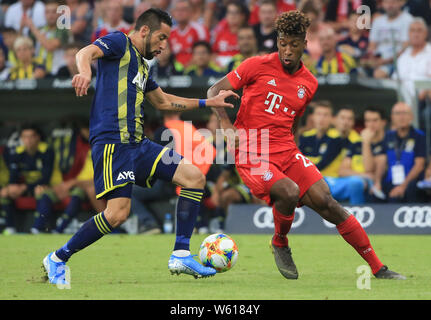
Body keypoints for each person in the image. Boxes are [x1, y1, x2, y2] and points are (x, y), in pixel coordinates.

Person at [42, 8, 238, 285]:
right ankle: (58, 258)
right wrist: (85, 73)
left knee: (194, 177)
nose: (163, 45)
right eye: (161, 37)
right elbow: (85, 52)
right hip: (114, 143)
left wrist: (209, 103)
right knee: (117, 213)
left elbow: (163, 102)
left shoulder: (143, 65)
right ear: (144, 30)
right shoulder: (119, 42)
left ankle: (181, 253)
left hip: (139, 145)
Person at [208, 10, 404, 280]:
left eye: (294, 44)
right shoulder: (255, 65)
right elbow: (213, 91)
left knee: (328, 202)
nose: (287, 50)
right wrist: (226, 125)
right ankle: (280, 241)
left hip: (287, 150)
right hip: (252, 150)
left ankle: (378, 268)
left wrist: (295, 150)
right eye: (283, 43)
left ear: (304, 44)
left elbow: (294, 120)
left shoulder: (309, 83)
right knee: (288, 191)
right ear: (277, 42)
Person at [2, 124, 55, 235]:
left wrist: (25, 187)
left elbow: (46, 177)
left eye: (31, 136)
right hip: (25, 188)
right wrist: (12, 186)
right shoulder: (17, 153)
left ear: (38, 138)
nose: (28, 140)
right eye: (25, 137)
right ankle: (10, 227)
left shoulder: (47, 151)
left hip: (42, 186)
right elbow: (13, 175)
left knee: (41, 190)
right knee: (5, 192)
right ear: (21, 138)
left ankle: (37, 229)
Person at [374, 102, 426, 202]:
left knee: (410, 189)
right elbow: (381, 162)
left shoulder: (419, 136)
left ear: (411, 116)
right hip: (391, 181)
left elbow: (420, 165)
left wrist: (403, 186)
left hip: (411, 182)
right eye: (397, 113)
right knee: (375, 192)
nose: (401, 117)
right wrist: (377, 182)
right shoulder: (388, 136)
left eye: (404, 113)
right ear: (392, 117)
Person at [21, 0, 71, 76]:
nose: (50, 15)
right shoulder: (40, 30)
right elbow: (22, 44)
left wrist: (32, 27)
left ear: (60, 14)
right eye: (47, 12)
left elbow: (50, 47)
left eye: (54, 12)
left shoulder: (63, 29)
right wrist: (21, 27)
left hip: (58, 72)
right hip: (39, 72)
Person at [366, 0, 413, 79]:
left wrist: (385, 61)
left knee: (379, 74)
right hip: (378, 60)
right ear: (382, 4)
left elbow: (405, 48)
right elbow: (372, 45)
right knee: (358, 72)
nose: (390, 5)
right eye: (387, 2)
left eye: (393, 2)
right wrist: (372, 59)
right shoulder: (378, 21)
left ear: (400, 3)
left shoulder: (408, 20)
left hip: (397, 61)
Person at [168, 0, 210, 67]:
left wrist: (188, 67)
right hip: (173, 70)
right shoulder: (170, 32)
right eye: (177, 10)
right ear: (173, 13)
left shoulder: (199, 29)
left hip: (194, 69)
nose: (180, 13)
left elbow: (205, 52)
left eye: (183, 10)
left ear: (191, 12)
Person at [360, 106, 387, 199]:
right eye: (367, 121)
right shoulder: (357, 142)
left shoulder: (389, 141)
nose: (371, 124)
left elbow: (368, 167)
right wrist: (363, 175)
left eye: (375, 120)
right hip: (365, 183)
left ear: (383, 122)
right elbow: (342, 170)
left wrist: (366, 143)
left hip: (385, 184)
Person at [212, 0, 249, 68]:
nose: (232, 16)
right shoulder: (220, 33)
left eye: (236, 13)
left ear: (242, 16)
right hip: (220, 69)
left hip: (239, 68)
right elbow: (213, 53)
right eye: (229, 12)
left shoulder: (248, 33)